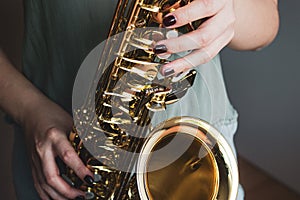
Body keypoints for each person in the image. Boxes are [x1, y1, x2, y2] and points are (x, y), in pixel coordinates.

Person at [0, 0, 279, 199]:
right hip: (63, 151)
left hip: (194, 152)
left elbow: (266, 24)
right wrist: (27, 107)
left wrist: (230, 6)